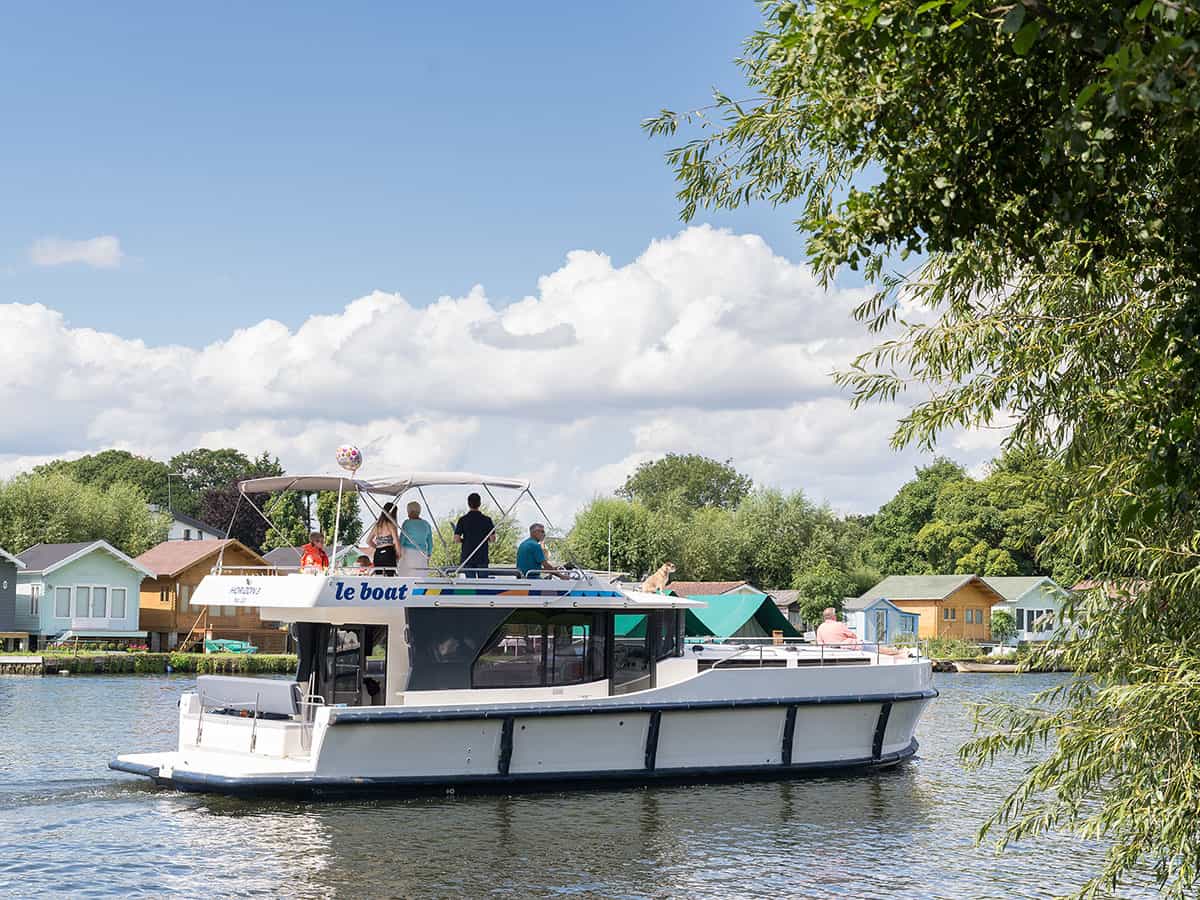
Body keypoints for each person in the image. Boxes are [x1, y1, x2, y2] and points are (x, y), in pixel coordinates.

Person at [815, 607, 903, 656]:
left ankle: (894, 650)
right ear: (833, 616)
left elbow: (819, 643)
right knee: (875, 647)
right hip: (851, 646)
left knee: (871, 645)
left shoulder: (820, 628)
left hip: (832, 650)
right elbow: (853, 635)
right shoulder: (839, 625)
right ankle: (896, 652)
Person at [453, 492, 496, 577]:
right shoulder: (487, 520)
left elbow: (456, 539)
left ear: (468, 504)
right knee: (483, 585)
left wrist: (464, 540)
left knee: (470, 585)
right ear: (480, 503)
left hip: (467, 556)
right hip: (482, 557)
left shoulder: (462, 520)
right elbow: (492, 539)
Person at [361, 502, 400, 575]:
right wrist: (399, 554)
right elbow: (396, 540)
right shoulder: (391, 525)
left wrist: (378, 548)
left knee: (379, 577)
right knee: (390, 577)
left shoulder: (377, 525)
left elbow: (368, 541)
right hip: (389, 553)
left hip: (378, 554)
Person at [397, 500, 434, 576]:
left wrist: (397, 555)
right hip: (422, 555)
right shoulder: (426, 524)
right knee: (421, 577)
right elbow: (430, 543)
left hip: (408, 554)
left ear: (410, 511)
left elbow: (401, 541)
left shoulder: (407, 523)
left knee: (405, 578)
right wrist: (428, 556)